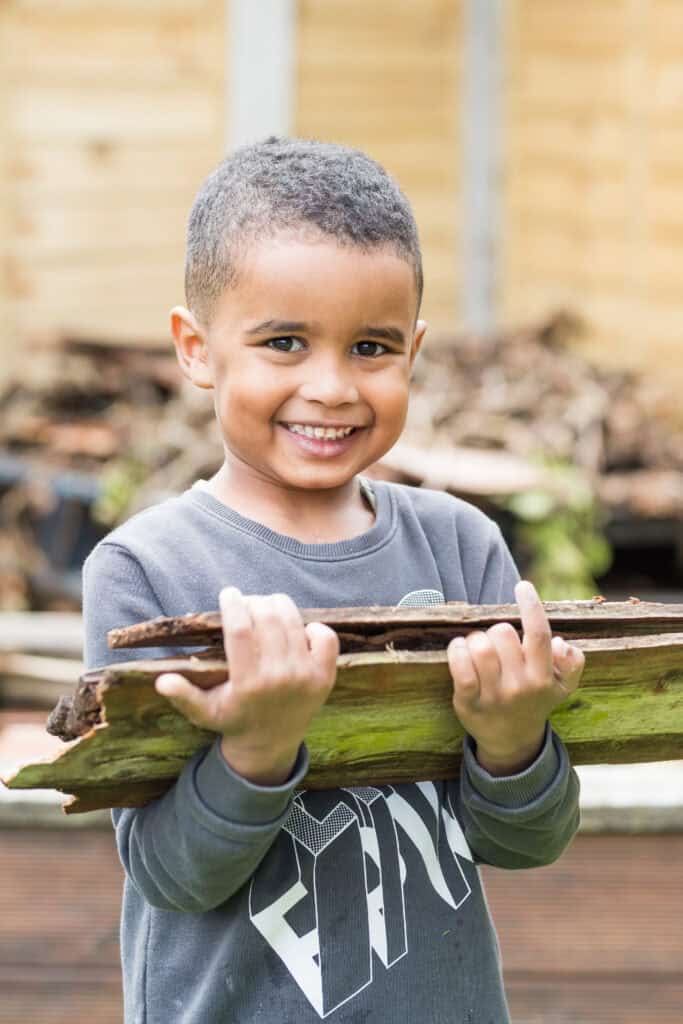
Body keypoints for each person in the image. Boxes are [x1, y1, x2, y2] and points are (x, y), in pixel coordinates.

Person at [82, 137, 585, 1024]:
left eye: (369, 346)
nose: (331, 386)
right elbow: (169, 874)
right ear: (195, 349)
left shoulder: (461, 548)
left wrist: (511, 743)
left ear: (414, 351)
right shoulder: (148, 569)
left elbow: (527, 843)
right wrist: (257, 748)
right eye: (284, 342)